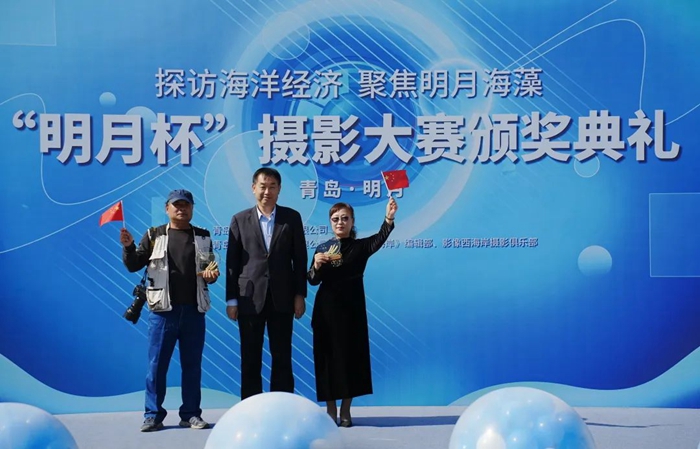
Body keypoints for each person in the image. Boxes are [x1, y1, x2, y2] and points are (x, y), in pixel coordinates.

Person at [120, 189, 219, 432]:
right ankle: (153, 415)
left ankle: (191, 414)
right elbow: (134, 265)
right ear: (167, 209)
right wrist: (129, 247)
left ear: (192, 209)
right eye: (176, 205)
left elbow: (209, 270)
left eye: (186, 205)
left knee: (192, 366)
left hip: (194, 311)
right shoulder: (154, 235)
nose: (181, 209)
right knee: (157, 366)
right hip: (163, 312)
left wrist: (211, 275)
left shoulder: (202, 236)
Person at [308, 197, 398, 427]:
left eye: (344, 218)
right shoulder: (321, 249)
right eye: (335, 219)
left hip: (352, 309)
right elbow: (312, 280)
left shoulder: (361, 247)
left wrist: (388, 218)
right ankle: (330, 410)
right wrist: (316, 265)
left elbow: (380, 238)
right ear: (330, 222)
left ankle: (346, 409)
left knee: (352, 359)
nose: (340, 222)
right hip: (326, 310)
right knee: (326, 360)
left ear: (352, 221)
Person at [225, 167, 307, 400]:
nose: (267, 192)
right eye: (263, 186)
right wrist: (232, 300)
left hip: (283, 297)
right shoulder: (240, 219)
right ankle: (251, 407)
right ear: (254, 188)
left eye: (272, 187)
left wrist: (300, 294)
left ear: (279, 189)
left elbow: (300, 259)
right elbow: (232, 263)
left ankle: (281, 406)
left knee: (282, 355)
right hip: (249, 298)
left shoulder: (291, 218)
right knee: (250, 356)